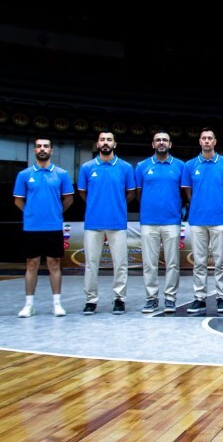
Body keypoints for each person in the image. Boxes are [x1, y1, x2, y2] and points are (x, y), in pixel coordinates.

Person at [13, 138, 75, 317]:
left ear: (51, 150)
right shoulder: (24, 175)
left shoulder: (61, 174)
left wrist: (55, 212)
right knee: (31, 264)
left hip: (53, 226)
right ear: (34, 150)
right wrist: (31, 213)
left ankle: (57, 304)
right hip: (31, 227)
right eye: (39, 146)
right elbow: (18, 200)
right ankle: (29, 304)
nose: (42, 149)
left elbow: (68, 199)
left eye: (46, 146)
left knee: (54, 264)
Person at [78, 131, 136, 315]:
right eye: (102, 140)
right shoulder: (87, 167)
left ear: (114, 144)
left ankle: (119, 299)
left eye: (109, 140)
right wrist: (96, 205)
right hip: (93, 223)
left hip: (117, 222)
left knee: (120, 263)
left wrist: (116, 205)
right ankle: (91, 300)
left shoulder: (125, 167)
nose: (105, 143)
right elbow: (82, 193)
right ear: (97, 143)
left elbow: (130, 193)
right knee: (91, 263)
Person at [182, 127, 223, 314]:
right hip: (197, 219)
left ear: (215, 142)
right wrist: (196, 203)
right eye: (203, 138)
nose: (206, 141)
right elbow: (188, 192)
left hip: (219, 219)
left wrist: (220, 205)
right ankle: (199, 298)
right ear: (200, 142)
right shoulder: (190, 165)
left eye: (210, 138)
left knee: (221, 261)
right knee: (199, 262)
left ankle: (222, 297)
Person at [135, 130, 185, 314]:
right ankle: (151, 298)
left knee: (172, 263)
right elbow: (139, 194)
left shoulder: (180, 166)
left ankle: (170, 298)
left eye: (165, 140)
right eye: (158, 140)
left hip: (172, 221)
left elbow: (184, 193)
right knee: (149, 263)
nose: (161, 142)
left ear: (170, 144)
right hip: (148, 221)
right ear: (153, 144)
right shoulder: (142, 166)